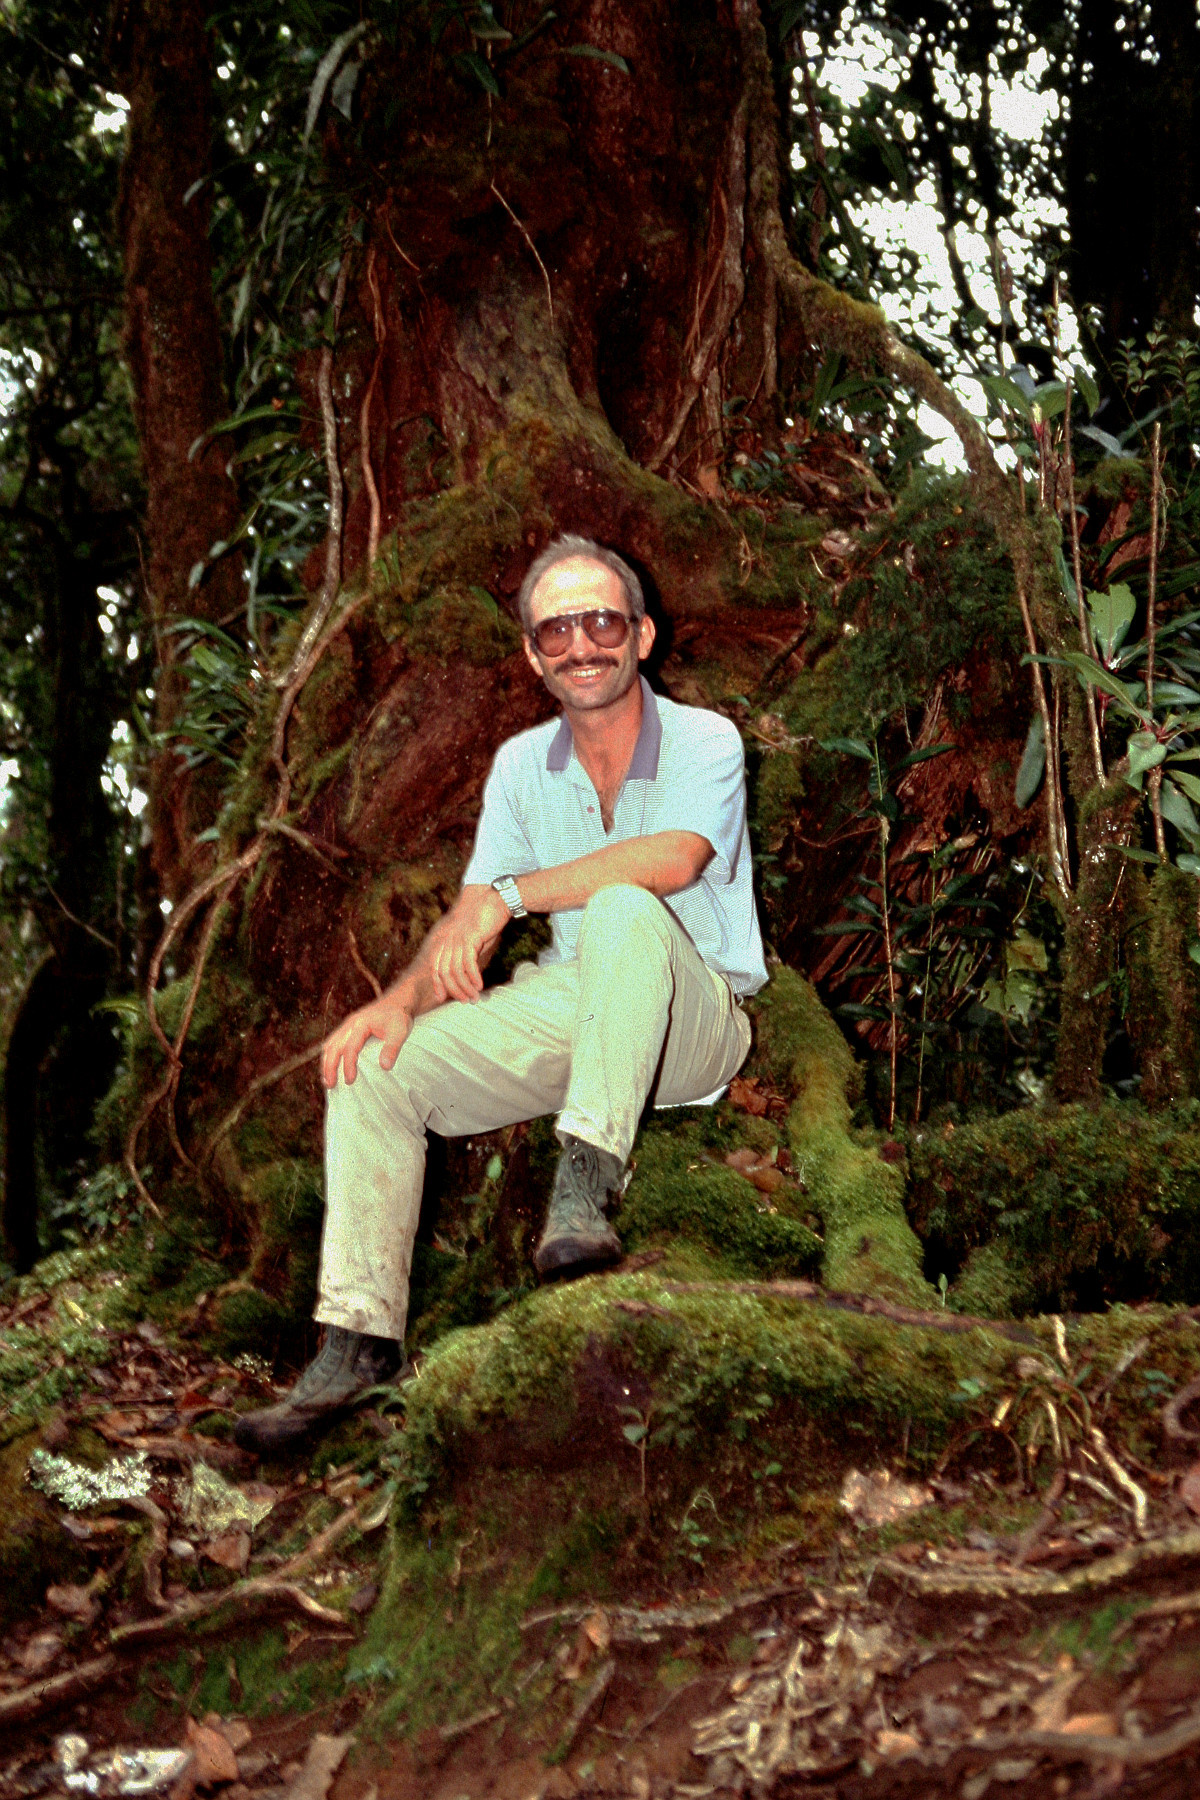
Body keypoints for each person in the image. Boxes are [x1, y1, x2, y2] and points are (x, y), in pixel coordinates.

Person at [234, 536, 767, 1451]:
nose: (581, 645)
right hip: (580, 1011)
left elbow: (674, 860)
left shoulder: (705, 739)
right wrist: (400, 1001)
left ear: (641, 636)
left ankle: (585, 1186)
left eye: (601, 622)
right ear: (532, 655)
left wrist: (517, 895)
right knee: (374, 1067)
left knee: (625, 907)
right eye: (556, 630)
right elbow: (472, 914)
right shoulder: (522, 766)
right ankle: (357, 1342)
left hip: (694, 1022)